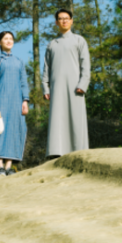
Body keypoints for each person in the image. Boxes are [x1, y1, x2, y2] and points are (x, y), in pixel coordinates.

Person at [43, 8, 90, 157]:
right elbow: (46, 69)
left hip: (75, 87)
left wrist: (83, 85)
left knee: (76, 119)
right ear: (57, 22)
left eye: (67, 18)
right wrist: (46, 88)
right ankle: (56, 152)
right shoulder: (52, 44)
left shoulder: (79, 40)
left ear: (71, 21)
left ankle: (79, 152)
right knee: (58, 119)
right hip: (57, 88)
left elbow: (86, 65)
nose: (64, 21)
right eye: (61, 19)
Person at [0, 31, 30, 175]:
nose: (9, 41)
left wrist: (25, 100)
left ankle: (9, 166)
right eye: (5, 39)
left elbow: (24, 82)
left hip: (17, 100)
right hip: (0, 99)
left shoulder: (19, 61)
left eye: (11, 39)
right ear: (0, 42)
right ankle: (0, 166)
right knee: (0, 130)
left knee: (15, 130)